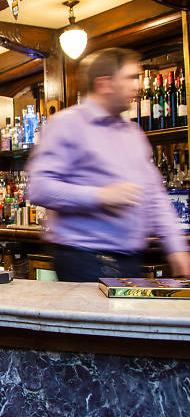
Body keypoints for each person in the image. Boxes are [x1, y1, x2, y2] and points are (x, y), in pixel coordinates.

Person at [26, 48, 190, 282]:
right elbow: (39, 188)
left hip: (131, 260)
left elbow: (155, 196)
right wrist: (101, 196)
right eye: (131, 78)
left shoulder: (133, 133)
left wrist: (177, 248)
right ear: (105, 83)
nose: (138, 86)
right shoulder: (67, 124)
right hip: (85, 260)